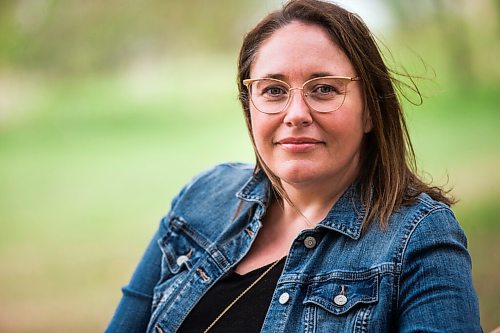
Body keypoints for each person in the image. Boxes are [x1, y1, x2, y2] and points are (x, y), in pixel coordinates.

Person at [106, 0, 482, 332]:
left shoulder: (418, 237)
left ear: (370, 110)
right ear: (249, 105)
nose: (296, 114)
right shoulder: (202, 198)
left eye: (324, 89)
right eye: (273, 90)